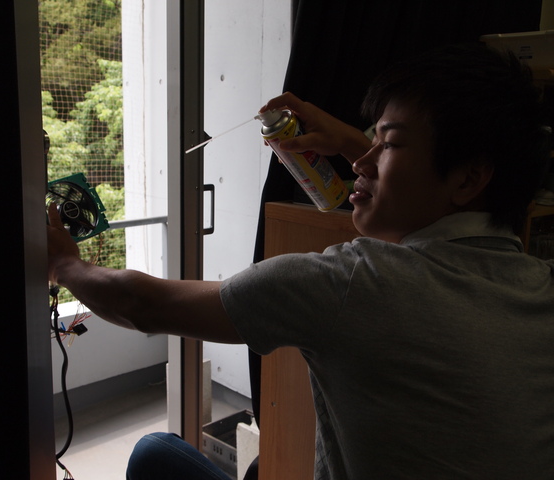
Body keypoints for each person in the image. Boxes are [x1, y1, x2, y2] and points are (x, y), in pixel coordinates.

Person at [47, 43, 553, 480]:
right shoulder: (539, 284)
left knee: (155, 454)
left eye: (390, 143)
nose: (362, 160)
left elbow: (143, 305)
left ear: (468, 178)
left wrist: (66, 264)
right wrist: (355, 141)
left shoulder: (355, 284)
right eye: (371, 139)